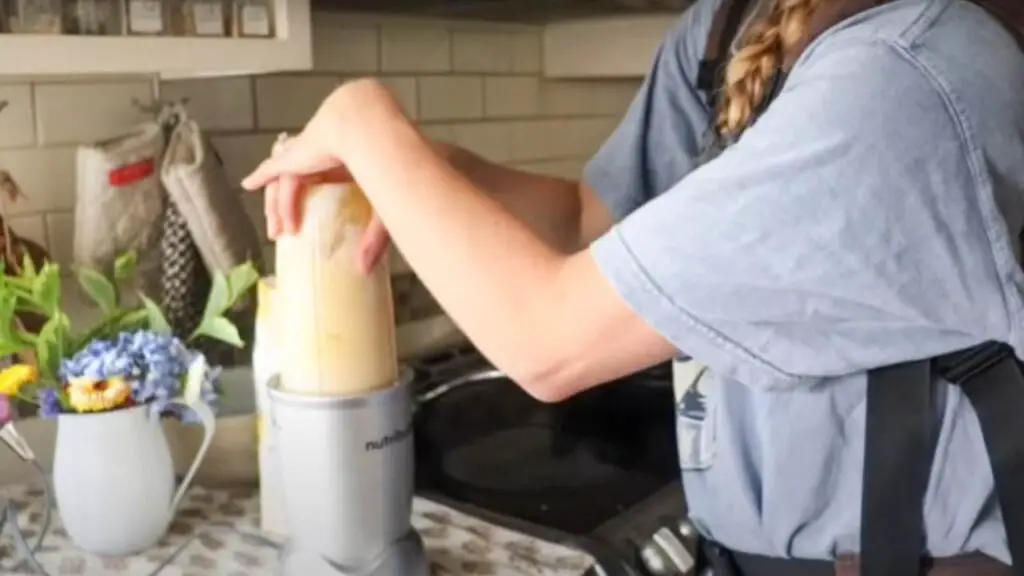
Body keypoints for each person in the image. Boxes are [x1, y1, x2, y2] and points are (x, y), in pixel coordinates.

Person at [241, 0, 1024, 573]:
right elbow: (593, 223)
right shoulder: (731, 28)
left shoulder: (905, 79)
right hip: (740, 550)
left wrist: (363, 117)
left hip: (912, 562)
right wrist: (418, 169)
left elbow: (547, 346)